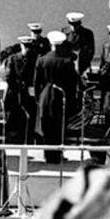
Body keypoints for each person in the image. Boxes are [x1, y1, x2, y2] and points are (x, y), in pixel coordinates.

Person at [33, 31, 77, 164]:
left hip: (45, 94)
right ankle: (57, 155)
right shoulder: (67, 60)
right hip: (60, 94)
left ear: (51, 44)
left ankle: (48, 154)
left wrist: (38, 97)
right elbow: (72, 83)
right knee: (59, 125)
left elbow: (36, 82)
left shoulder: (42, 59)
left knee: (46, 124)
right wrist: (71, 99)